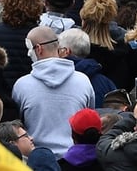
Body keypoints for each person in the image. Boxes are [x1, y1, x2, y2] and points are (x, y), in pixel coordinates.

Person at [11, 26, 95, 157]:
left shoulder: (22, 85)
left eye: (29, 49)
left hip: (37, 159)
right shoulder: (83, 81)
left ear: (39, 49)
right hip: (74, 159)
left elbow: (18, 125)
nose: (28, 54)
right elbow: (89, 118)